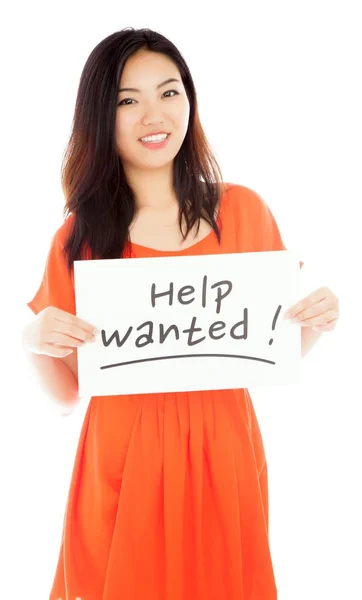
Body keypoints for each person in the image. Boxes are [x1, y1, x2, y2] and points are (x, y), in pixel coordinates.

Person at [22, 27, 339, 600]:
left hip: (225, 456)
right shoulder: (80, 239)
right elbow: (67, 396)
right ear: (101, 115)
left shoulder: (241, 212)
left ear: (189, 102)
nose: (154, 115)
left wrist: (312, 323)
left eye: (169, 93)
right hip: (120, 464)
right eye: (127, 99)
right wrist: (33, 342)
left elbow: (266, 355)